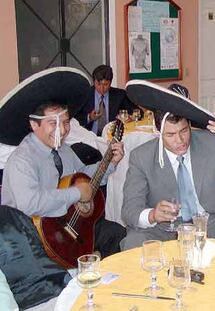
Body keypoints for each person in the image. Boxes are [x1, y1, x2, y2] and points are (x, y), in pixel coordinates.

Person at [0, 68, 126, 259]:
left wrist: (110, 162)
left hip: (66, 226)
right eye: (53, 123)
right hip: (31, 238)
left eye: (65, 123)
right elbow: (29, 203)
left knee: (117, 235)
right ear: (35, 125)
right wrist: (76, 193)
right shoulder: (21, 160)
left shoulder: (64, 150)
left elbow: (83, 177)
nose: (62, 130)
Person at [120, 81, 215, 249]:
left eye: (184, 131)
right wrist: (153, 215)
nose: (180, 140)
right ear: (158, 134)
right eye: (170, 134)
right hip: (163, 228)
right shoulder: (142, 156)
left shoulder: (210, 143)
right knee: (132, 245)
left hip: (209, 221)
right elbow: (129, 210)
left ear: (190, 126)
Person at [75, 64, 139, 135]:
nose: (102, 88)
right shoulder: (84, 95)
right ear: (93, 81)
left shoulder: (120, 95)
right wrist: (89, 117)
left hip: (113, 137)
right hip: (89, 137)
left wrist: (130, 117)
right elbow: (74, 118)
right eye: (98, 84)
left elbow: (138, 112)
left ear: (110, 82)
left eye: (105, 84)